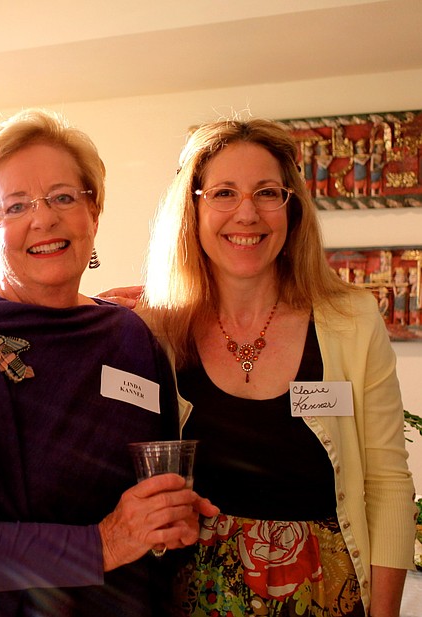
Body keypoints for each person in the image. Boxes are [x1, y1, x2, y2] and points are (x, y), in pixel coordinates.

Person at [0, 108, 218, 617]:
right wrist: (106, 543)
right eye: (16, 206)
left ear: (94, 213)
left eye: (63, 197)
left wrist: (170, 516)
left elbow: (158, 481)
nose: (44, 218)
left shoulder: (130, 336)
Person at [126, 118, 416, 617]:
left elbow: (388, 484)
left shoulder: (351, 319)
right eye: (223, 193)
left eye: (267, 192)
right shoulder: (155, 329)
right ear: (192, 208)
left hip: (327, 598)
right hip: (191, 599)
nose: (247, 213)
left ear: (292, 207)